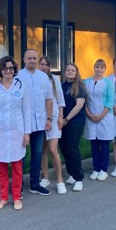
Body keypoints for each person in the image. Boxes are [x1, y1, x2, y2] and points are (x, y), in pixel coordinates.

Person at [0, 56, 30, 210]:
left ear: (14, 70)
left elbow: (26, 111)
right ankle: (3, 198)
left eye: (11, 68)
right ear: (0, 70)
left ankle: (17, 197)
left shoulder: (21, 86)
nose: (8, 71)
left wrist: (27, 133)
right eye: (5, 68)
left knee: (17, 167)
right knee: (2, 168)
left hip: (17, 131)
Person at [17, 49, 53, 196]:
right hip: (23, 124)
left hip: (40, 123)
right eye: (29, 58)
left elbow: (49, 98)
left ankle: (34, 184)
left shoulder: (43, 77)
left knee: (37, 153)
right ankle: (18, 187)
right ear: (24, 59)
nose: (32, 60)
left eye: (34, 58)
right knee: (21, 155)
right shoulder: (18, 76)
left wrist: (49, 118)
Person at [39, 56, 67, 194]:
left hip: (54, 117)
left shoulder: (54, 79)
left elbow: (60, 99)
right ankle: (45, 177)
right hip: (40, 118)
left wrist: (61, 116)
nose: (44, 67)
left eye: (46, 64)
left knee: (52, 149)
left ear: (50, 66)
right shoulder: (36, 79)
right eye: (42, 64)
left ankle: (60, 180)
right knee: (42, 150)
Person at [84, 59, 114, 181]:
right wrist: (89, 114)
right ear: (94, 67)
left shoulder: (108, 83)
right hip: (90, 117)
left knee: (104, 145)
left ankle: (103, 170)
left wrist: (101, 116)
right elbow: (83, 100)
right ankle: (96, 168)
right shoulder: (86, 82)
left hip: (104, 117)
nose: (99, 69)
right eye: (97, 67)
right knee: (94, 145)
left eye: (102, 67)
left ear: (105, 69)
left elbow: (110, 100)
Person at [60, 63, 87, 192]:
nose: (70, 72)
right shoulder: (63, 85)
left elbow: (79, 105)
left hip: (75, 121)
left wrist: (67, 119)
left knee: (72, 148)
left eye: (73, 70)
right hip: (63, 122)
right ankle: (71, 173)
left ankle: (79, 178)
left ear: (76, 73)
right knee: (63, 148)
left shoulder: (80, 86)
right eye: (68, 70)